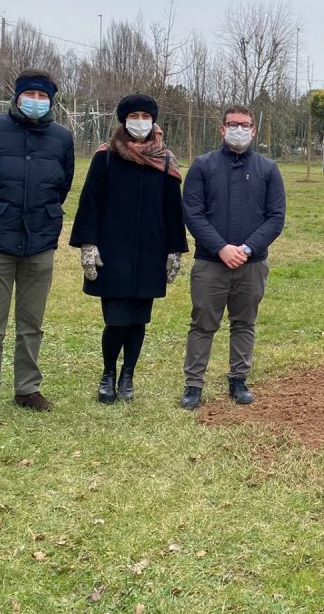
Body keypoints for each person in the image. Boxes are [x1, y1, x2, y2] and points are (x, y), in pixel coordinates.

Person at [0, 69, 74, 421]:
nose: (36, 101)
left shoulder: (61, 139)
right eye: (30, 94)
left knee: (32, 321)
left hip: (39, 242)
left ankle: (27, 388)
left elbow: (62, 183)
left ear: (51, 101)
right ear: (17, 96)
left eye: (43, 96)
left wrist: (46, 215)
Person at [69, 94, 188, 404]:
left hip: (150, 251)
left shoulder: (164, 161)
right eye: (133, 116)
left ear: (153, 121)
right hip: (114, 252)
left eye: (145, 116)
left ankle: (128, 376)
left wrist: (175, 249)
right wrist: (87, 244)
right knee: (116, 319)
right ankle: (108, 373)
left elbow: (173, 209)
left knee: (138, 320)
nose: (139, 122)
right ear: (124, 120)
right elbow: (90, 201)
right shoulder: (106, 156)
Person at [180, 105, 286, 410]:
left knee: (244, 322)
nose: (239, 130)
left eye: (245, 125)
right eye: (232, 124)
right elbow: (193, 213)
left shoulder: (268, 169)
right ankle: (193, 384)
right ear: (222, 129)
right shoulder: (202, 166)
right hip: (210, 263)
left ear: (253, 130)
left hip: (252, 264)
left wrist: (248, 249)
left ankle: (238, 379)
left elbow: (275, 217)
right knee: (203, 323)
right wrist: (221, 248)